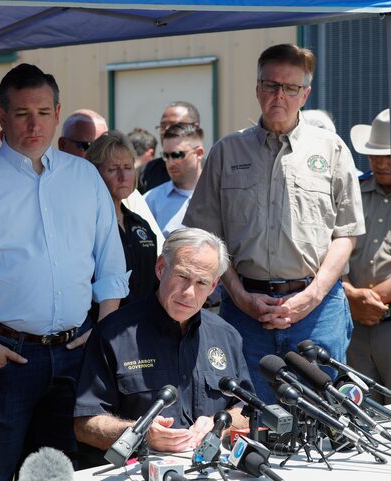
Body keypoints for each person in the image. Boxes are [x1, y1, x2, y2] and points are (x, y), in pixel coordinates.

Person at [0, 63, 129, 481]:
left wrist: (103, 330)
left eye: (43, 112)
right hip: (2, 357)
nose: (34, 124)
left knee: (60, 475)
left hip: (75, 355)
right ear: (1, 116)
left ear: (57, 112)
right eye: (21, 114)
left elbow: (110, 263)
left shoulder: (85, 176)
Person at [184, 43, 365, 403]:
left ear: (305, 94)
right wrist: (240, 295)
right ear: (257, 89)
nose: (279, 94)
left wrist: (311, 297)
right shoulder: (227, 152)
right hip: (245, 313)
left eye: (290, 87)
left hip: (317, 311)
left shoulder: (332, 149)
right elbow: (205, 235)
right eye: (270, 85)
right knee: (249, 418)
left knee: (324, 417)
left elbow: (346, 233)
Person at [74, 227, 252, 457]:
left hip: (210, 468)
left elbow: (246, 410)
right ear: (160, 268)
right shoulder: (114, 334)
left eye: (201, 283)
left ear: (214, 285)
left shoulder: (226, 336)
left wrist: (219, 425)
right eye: (182, 276)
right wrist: (138, 433)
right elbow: (84, 424)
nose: (189, 292)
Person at [58, 109, 164, 254]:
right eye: (89, 146)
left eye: (127, 167)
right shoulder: (55, 194)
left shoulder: (129, 195)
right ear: (63, 145)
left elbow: (158, 253)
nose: (104, 152)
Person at [343, 108, 391, 405]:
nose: (381, 162)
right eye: (375, 154)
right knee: (359, 416)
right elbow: (330, 249)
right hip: (354, 328)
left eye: (388, 155)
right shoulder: (353, 194)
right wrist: (350, 294)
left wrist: (369, 298)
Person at [86, 130, 158, 306]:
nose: (123, 177)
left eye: (127, 167)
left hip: (143, 325)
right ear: (94, 173)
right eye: (113, 169)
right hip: (100, 324)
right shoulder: (84, 224)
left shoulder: (140, 224)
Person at [144, 123, 204, 238]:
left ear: (199, 153)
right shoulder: (150, 200)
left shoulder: (219, 195)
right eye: (166, 156)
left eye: (177, 154)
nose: (170, 163)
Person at [137, 101, 201, 194]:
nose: (166, 131)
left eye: (174, 125)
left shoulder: (213, 173)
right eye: (163, 126)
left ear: (195, 128)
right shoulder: (145, 174)